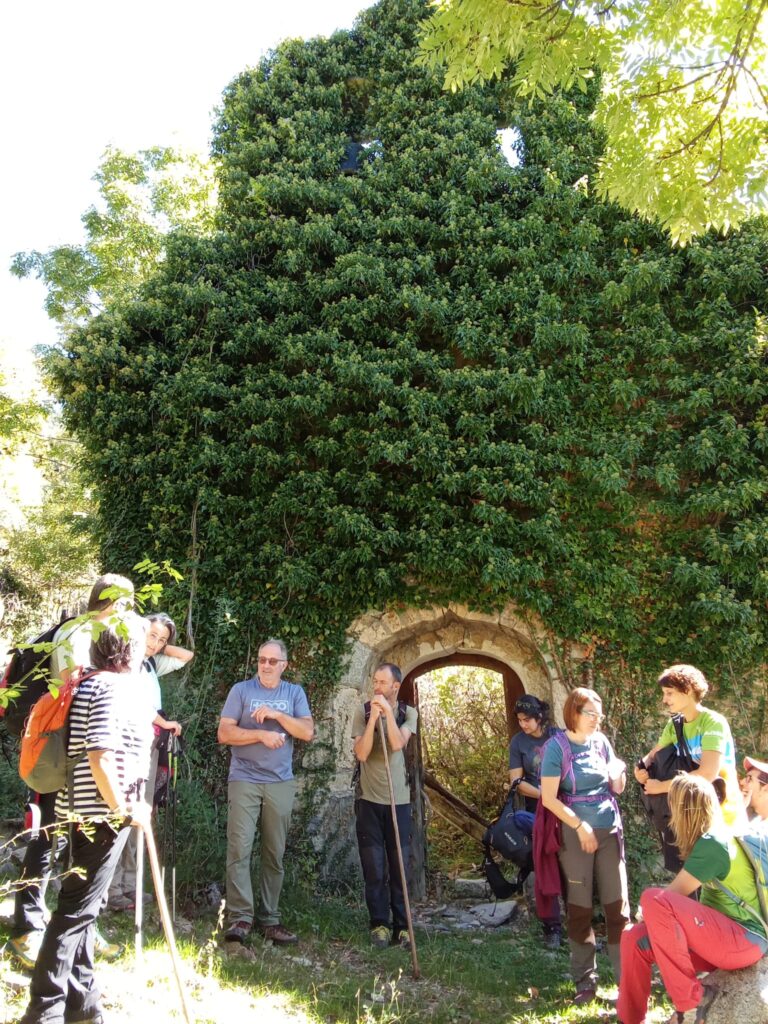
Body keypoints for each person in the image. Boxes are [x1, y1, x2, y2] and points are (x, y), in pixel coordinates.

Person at [18, 614, 153, 1024]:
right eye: (143, 642)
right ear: (126, 648)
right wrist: (124, 808)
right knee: (76, 912)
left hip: (85, 809)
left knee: (83, 908)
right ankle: (44, 1010)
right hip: (100, 813)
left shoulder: (90, 684)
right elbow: (100, 753)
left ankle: (83, 1004)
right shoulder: (110, 687)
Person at [9, 573, 134, 969]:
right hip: (58, 751)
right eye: (127, 602)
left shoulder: (94, 633)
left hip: (76, 752)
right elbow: (69, 688)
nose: (131, 611)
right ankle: (26, 929)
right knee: (47, 837)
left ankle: (81, 929)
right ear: (112, 601)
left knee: (68, 841)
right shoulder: (77, 633)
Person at [617, 770, 768, 1024]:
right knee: (634, 938)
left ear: (683, 810)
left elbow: (669, 898)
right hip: (720, 941)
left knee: (652, 899)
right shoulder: (710, 839)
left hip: (744, 941)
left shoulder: (714, 842)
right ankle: (629, 1019)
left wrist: (647, 915)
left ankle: (690, 1003)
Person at [218, 638, 314, 946]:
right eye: (262, 660)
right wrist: (259, 734)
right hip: (244, 778)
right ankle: (240, 918)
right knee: (239, 849)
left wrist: (276, 716)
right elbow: (224, 733)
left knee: (274, 853)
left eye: (273, 661)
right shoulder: (241, 691)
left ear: (284, 665)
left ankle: (270, 919)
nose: (266, 665)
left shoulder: (293, 693)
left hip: (280, 781)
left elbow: (307, 732)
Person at [540, 686, 629, 1005]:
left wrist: (619, 774)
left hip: (609, 830)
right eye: (590, 713)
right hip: (575, 836)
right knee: (580, 909)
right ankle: (586, 982)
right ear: (573, 713)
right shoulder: (556, 748)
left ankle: (626, 982)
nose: (596, 719)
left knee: (617, 908)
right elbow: (549, 799)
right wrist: (580, 825)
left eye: (598, 714)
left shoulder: (601, 742)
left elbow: (615, 787)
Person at [107, 612, 192, 911]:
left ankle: (130, 885)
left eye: (162, 639)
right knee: (123, 813)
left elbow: (187, 655)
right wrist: (165, 723)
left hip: (148, 745)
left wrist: (159, 643)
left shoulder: (149, 663)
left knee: (142, 814)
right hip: (127, 746)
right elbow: (134, 703)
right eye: (151, 636)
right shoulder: (125, 662)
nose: (155, 644)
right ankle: (113, 888)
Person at [634, 664, 744, 868]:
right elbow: (652, 755)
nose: (664, 700)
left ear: (689, 690)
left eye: (669, 693)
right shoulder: (674, 724)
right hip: (690, 815)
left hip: (721, 814)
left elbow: (707, 774)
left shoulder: (713, 722)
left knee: (715, 884)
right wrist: (640, 769)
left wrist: (662, 786)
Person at [352, 662, 418, 949]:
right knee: (374, 867)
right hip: (369, 799)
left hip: (398, 801)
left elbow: (395, 744)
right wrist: (371, 720)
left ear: (395, 686)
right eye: (375, 681)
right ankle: (379, 923)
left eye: (383, 682)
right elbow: (363, 754)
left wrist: (389, 715)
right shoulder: (362, 711)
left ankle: (402, 927)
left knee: (399, 865)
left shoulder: (408, 714)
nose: (377, 687)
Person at [508, 694, 562, 949]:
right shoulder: (518, 742)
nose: (523, 725)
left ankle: (579, 923)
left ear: (539, 717)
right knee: (544, 866)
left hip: (566, 808)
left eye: (527, 719)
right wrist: (545, 795)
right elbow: (517, 783)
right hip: (538, 810)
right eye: (519, 720)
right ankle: (551, 926)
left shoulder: (557, 736)